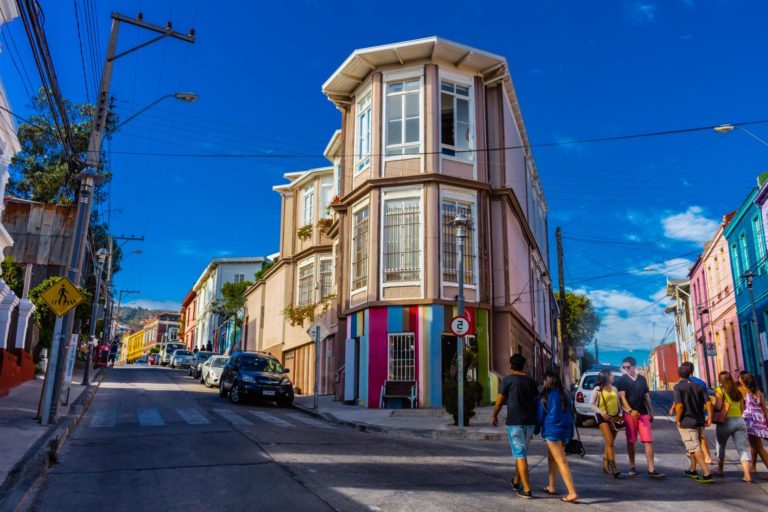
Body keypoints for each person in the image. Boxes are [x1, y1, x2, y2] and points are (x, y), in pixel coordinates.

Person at [492, 354, 539, 499]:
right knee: (521, 454)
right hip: (530, 422)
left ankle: (527, 489)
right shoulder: (531, 381)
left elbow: (499, 401)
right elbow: (536, 402)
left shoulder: (507, 380)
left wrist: (494, 415)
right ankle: (516, 481)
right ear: (524, 365)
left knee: (520, 455)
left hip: (515, 423)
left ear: (511, 365)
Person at [616, 356, 664, 477]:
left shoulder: (642, 379)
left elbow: (646, 396)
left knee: (648, 440)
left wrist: (651, 412)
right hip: (629, 415)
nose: (626, 369)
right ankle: (632, 466)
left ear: (634, 366)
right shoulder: (622, 380)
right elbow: (622, 397)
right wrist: (630, 410)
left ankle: (651, 469)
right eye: (624, 367)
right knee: (631, 441)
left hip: (643, 414)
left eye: (628, 367)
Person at [536, 371, 579, 503]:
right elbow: (572, 416)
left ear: (546, 381)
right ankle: (551, 486)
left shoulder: (545, 396)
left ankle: (572, 493)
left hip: (552, 431)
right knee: (552, 458)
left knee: (561, 461)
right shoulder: (565, 395)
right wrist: (570, 433)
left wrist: (537, 429)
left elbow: (540, 415)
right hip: (565, 431)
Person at [673, 363, 714, 483]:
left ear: (679, 375)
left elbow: (679, 405)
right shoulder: (698, 386)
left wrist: (678, 419)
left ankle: (706, 473)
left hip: (687, 422)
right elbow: (709, 403)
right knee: (693, 446)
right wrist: (710, 417)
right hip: (700, 420)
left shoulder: (678, 388)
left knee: (695, 448)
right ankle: (692, 469)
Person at [713, 371, 752, 482]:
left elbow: (719, 406)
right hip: (740, 421)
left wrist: (713, 405)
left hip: (726, 421)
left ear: (720, 380)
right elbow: (741, 408)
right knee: (741, 448)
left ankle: (720, 469)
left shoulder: (720, 390)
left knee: (720, 445)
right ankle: (747, 475)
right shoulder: (738, 391)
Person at [589, 369, 622, 477]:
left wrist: (623, 414)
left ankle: (605, 463)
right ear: (606, 376)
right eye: (611, 375)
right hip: (603, 418)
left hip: (615, 418)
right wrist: (602, 413)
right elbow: (591, 404)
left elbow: (618, 403)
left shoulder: (615, 389)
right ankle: (613, 466)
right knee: (610, 441)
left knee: (609, 443)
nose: (613, 376)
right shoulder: (597, 389)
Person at [739, 371, 768, 478]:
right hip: (760, 419)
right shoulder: (758, 392)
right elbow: (764, 409)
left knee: (759, 447)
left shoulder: (742, 391)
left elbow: (740, 406)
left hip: (750, 420)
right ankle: (753, 467)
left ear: (743, 380)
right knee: (754, 444)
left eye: (739, 378)